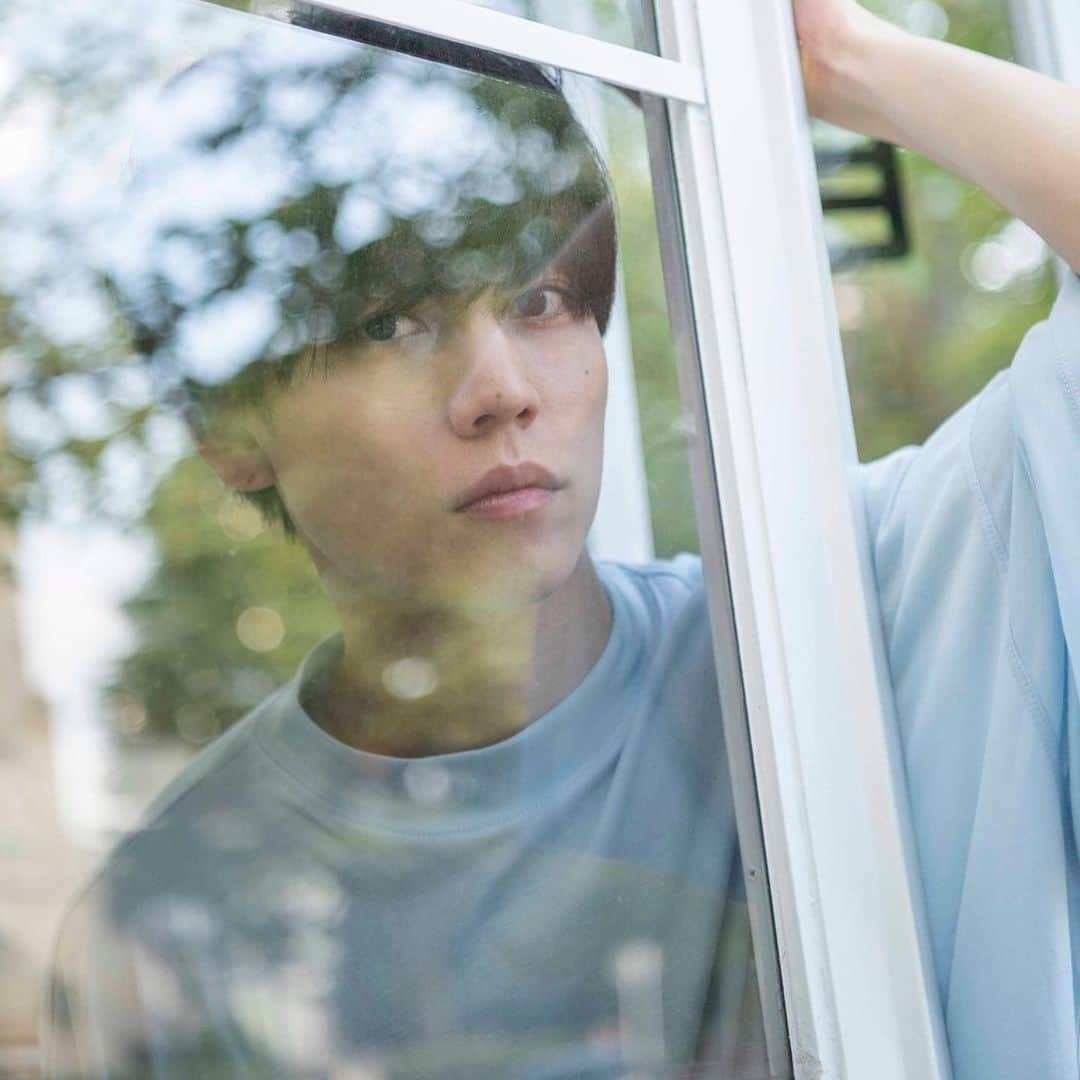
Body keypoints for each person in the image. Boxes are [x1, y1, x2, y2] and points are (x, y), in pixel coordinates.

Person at [39, 1, 1080, 1078]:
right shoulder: (164, 932)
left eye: (541, 299)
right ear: (229, 430)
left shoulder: (853, 612)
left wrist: (836, 60)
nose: (500, 392)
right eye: (389, 324)